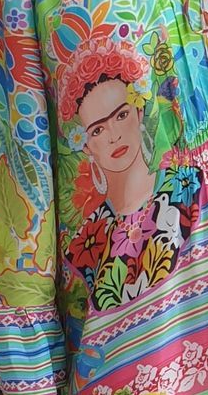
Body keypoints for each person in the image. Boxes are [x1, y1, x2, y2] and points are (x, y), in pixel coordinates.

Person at [58, 34, 199, 310]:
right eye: (98, 130)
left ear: (138, 113)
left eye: (121, 115)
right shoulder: (82, 244)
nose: (113, 135)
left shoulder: (189, 186)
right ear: (86, 146)